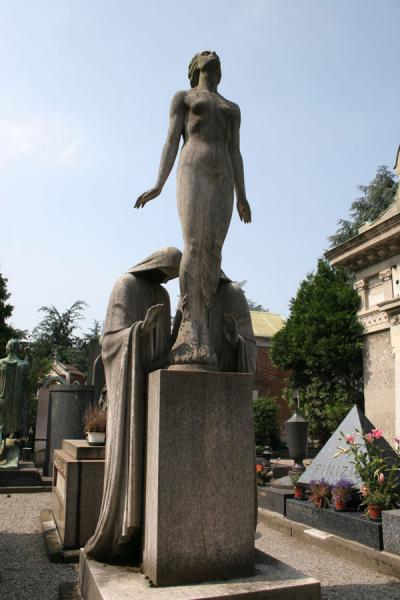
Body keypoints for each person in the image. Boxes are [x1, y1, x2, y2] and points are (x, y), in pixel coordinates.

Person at [135, 51, 252, 369]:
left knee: (213, 250)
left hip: (223, 173)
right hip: (194, 166)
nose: (212, 55)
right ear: (195, 67)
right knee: (195, 245)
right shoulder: (184, 98)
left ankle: (206, 327)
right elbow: (171, 140)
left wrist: (242, 195)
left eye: (215, 55)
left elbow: (236, 152)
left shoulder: (232, 108)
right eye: (205, 54)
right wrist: (158, 183)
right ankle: (190, 327)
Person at [85, 247, 181, 562]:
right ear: (153, 263)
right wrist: (140, 329)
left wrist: (176, 326)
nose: (167, 279)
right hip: (128, 389)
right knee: (130, 456)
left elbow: (163, 350)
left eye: (172, 276)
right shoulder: (125, 285)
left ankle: (149, 531)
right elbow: (110, 341)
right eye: (166, 271)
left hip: (152, 388)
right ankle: (123, 529)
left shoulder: (165, 298)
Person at [172, 272, 256, 374]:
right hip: (188, 372)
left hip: (222, 374)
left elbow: (249, 344)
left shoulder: (232, 293)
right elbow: (174, 343)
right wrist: (186, 319)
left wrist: (236, 341)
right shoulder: (186, 295)